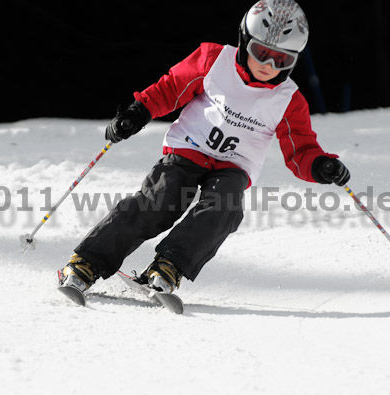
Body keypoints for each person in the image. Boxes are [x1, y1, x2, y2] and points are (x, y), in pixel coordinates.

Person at [58, 0, 350, 295]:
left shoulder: (288, 100)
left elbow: (300, 151)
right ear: (244, 42)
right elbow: (170, 89)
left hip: (234, 166)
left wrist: (320, 165)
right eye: (261, 53)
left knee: (225, 206)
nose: (268, 65)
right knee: (160, 201)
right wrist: (137, 113)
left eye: (281, 60)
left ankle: (169, 266)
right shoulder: (214, 61)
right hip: (188, 150)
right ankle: (87, 261)